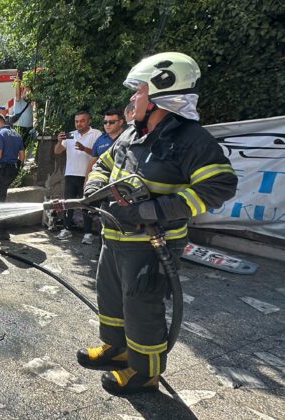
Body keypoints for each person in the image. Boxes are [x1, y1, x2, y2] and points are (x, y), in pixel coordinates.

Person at [78, 52, 237, 395]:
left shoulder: (191, 140)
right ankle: (116, 349)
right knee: (110, 296)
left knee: (141, 306)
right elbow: (104, 164)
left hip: (152, 243)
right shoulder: (133, 133)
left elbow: (220, 185)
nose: (132, 99)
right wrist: (94, 185)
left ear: (163, 95)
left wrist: (157, 211)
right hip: (115, 236)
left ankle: (144, 371)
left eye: (139, 91)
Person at [54, 111, 101, 244]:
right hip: (70, 174)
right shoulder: (70, 135)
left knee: (86, 204)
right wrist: (59, 141)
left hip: (87, 175)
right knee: (68, 203)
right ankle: (66, 229)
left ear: (89, 121)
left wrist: (85, 149)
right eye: (77, 121)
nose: (79, 124)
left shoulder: (96, 134)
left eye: (82, 121)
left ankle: (88, 233)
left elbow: (100, 153)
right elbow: (57, 151)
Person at [0, 113, 25, 240]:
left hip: (2, 171)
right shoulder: (16, 134)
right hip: (12, 170)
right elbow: (22, 156)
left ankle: (2, 232)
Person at [85, 109, 124, 177]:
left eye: (111, 122)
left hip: (124, 180)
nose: (107, 125)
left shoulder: (129, 136)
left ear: (120, 122)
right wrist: (86, 182)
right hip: (103, 180)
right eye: (105, 122)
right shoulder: (100, 140)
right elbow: (93, 161)